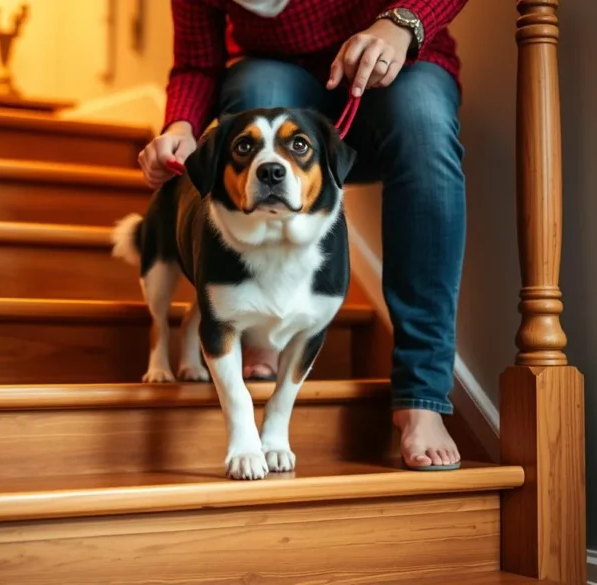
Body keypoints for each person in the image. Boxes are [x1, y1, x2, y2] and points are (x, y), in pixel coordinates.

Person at [137, 0, 468, 470]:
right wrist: (181, 122)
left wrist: (404, 22)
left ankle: (423, 395)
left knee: (425, 125)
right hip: (277, 68)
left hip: (399, 57)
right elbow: (196, 62)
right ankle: (256, 330)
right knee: (254, 91)